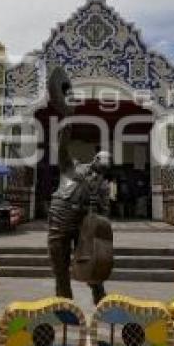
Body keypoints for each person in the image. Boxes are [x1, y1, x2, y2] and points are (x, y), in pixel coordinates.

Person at [47, 126, 112, 305]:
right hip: (59, 219)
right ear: (96, 159)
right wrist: (66, 131)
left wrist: (99, 225)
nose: (101, 173)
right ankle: (64, 302)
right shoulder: (72, 167)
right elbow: (61, 151)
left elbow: (105, 211)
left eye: (105, 169)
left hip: (84, 225)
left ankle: (99, 299)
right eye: (102, 165)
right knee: (59, 265)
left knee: (92, 260)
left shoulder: (104, 185)